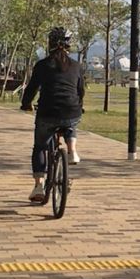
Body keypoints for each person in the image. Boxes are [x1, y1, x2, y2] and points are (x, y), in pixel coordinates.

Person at [20, 27, 85, 203]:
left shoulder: (42, 65)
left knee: (40, 146)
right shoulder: (76, 66)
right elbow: (80, 91)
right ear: (68, 45)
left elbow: (31, 89)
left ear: (49, 44)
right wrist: (79, 106)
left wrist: (26, 104)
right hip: (71, 110)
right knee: (71, 123)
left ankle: (38, 186)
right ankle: (72, 151)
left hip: (47, 112)